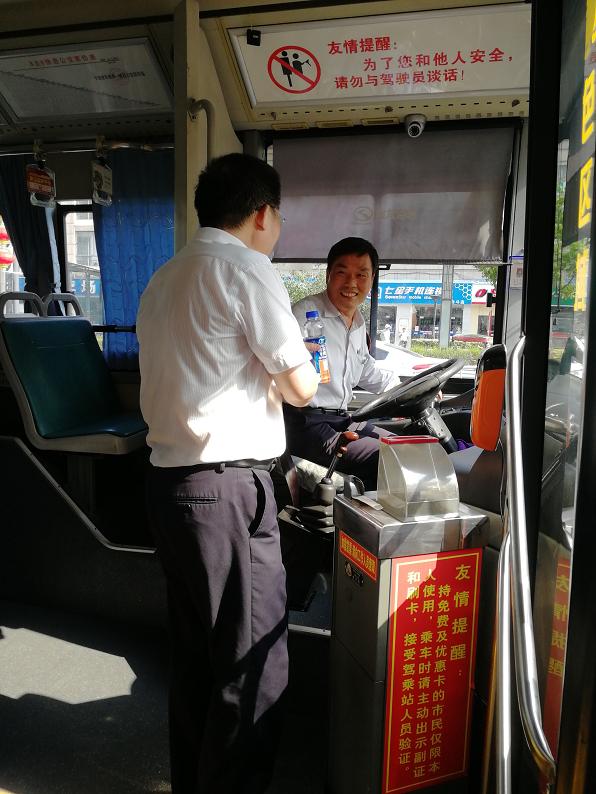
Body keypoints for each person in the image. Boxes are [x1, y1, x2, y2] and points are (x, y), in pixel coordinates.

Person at [136, 153, 319, 794]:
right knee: (253, 666)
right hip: (227, 493)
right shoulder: (246, 269)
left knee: (195, 660)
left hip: (170, 487)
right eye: (279, 217)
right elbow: (301, 387)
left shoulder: (164, 276)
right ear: (262, 213)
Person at [284, 236, 398, 490]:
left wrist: (406, 389)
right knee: (387, 460)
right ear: (328, 275)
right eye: (342, 273)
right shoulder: (303, 314)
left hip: (344, 419)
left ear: (372, 279)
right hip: (305, 423)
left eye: (361, 275)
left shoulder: (357, 323)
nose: (351, 283)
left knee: (406, 449)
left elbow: (366, 371)